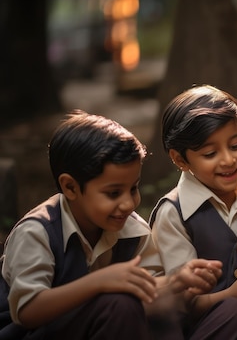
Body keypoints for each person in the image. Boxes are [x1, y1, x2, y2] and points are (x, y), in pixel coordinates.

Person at [0, 110, 221, 340]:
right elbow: (27, 311)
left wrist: (177, 282)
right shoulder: (37, 232)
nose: (128, 203)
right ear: (70, 187)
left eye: (133, 189)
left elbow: (148, 298)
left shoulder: (133, 231)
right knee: (120, 304)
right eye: (113, 193)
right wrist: (99, 282)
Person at [150, 85, 237, 339]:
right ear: (180, 160)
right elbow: (179, 305)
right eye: (210, 153)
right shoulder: (174, 214)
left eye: (235, 145)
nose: (228, 160)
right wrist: (230, 297)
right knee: (234, 310)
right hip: (207, 328)